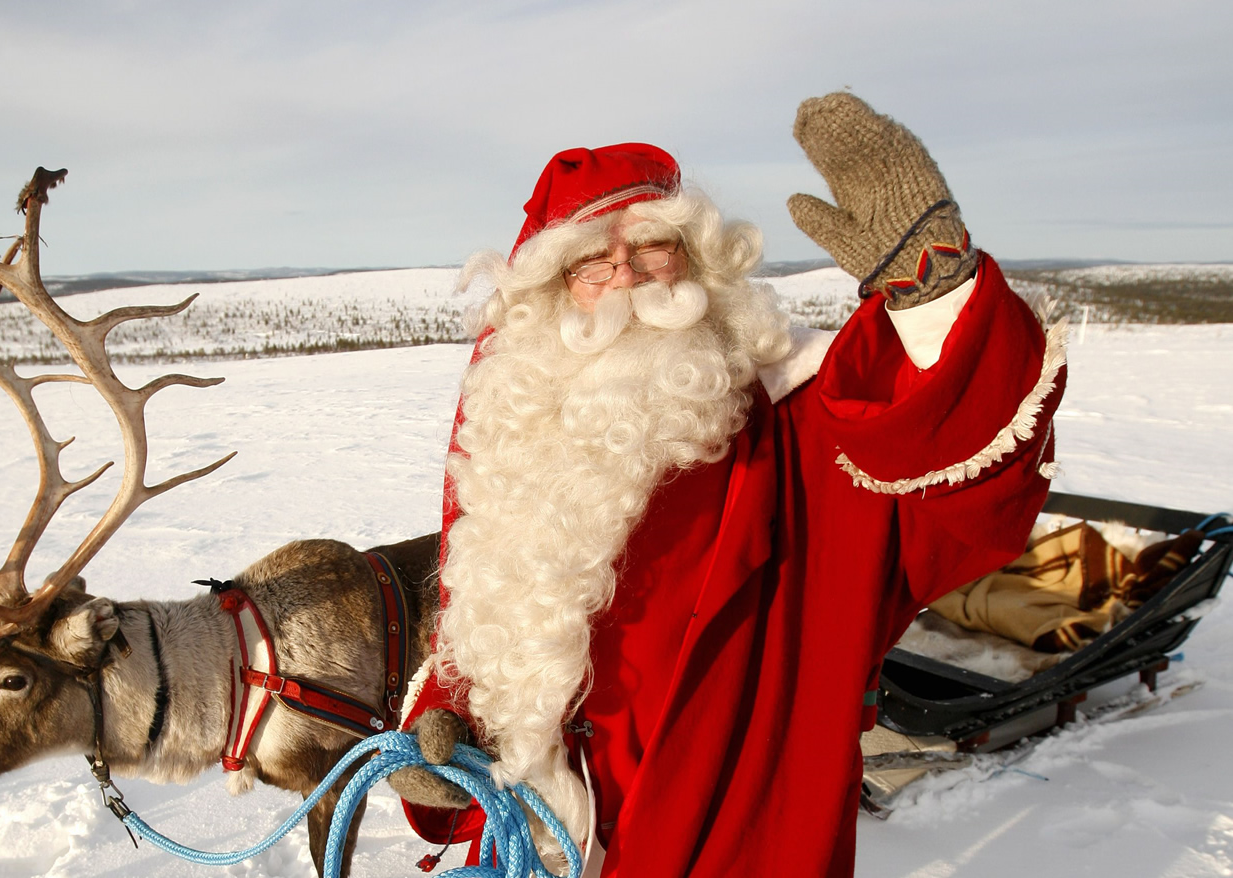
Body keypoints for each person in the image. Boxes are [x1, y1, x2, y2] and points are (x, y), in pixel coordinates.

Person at [387, 92, 1067, 877]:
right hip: (543, 847)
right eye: (591, 262)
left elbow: (952, 471)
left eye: (651, 247)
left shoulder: (799, 423)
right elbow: (480, 631)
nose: (627, 276)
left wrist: (934, 283)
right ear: (554, 292)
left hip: (730, 833)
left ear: (697, 260)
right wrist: (443, 731)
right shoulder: (518, 431)